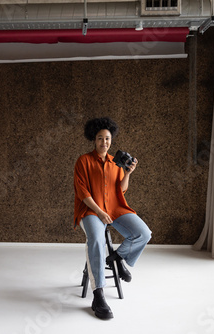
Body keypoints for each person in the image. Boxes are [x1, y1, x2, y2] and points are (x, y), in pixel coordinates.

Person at [74, 117, 152, 320]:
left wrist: (128, 173)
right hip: (91, 211)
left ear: (111, 140)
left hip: (116, 208)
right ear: (94, 139)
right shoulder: (83, 161)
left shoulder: (116, 163)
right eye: (100, 138)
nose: (104, 142)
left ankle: (117, 258)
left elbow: (122, 190)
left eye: (107, 139)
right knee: (97, 240)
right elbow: (82, 192)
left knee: (143, 233)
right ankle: (98, 294)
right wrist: (99, 212)